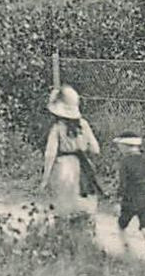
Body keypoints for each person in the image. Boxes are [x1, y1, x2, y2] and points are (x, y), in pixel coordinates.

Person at [40, 85, 101, 215]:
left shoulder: (57, 128)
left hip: (63, 166)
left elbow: (50, 154)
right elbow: (95, 149)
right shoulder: (84, 125)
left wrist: (45, 178)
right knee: (84, 204)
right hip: (83, 165)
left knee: (63, 207)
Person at [112, 129, 145, 258]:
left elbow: (123, 183)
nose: (119, 149)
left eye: (120, 146)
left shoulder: (125, 162)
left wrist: (118, 200)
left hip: (130, 199)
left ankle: (126, 249)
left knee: (122, 224)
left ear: (125, 146)